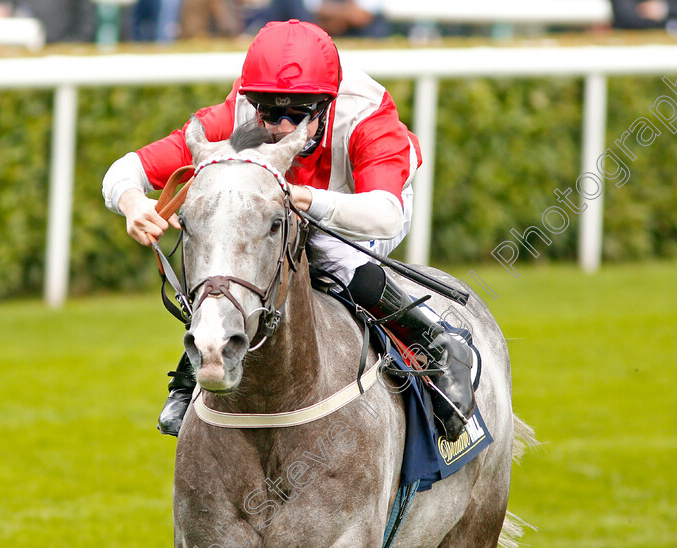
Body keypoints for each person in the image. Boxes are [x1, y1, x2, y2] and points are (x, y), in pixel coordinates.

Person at [101, 20, 475, 441]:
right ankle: (198, 361)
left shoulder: (367, 117)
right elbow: (126, 169)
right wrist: (134, 203)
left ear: (326, 105)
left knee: (325, 250)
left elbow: (384, 213)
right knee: (234, 241)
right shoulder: (240, 113)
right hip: (284, 204)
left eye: (295, 116)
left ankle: (436, 341)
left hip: (358, 204)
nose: (278, 126)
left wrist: (307, 200)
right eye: (268, 112)